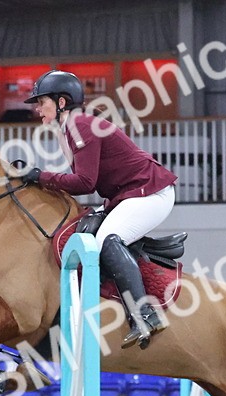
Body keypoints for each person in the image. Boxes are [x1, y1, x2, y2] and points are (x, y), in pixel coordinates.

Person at [19, 70, 178, 349]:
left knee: (106, 241)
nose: (37, 108)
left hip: (150, 192)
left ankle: (144, 314)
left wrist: (41, 177)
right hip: (129, 195)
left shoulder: (80, 124)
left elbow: (85, 183)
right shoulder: (69, 129)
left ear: (61, 103)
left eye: (41, 101)